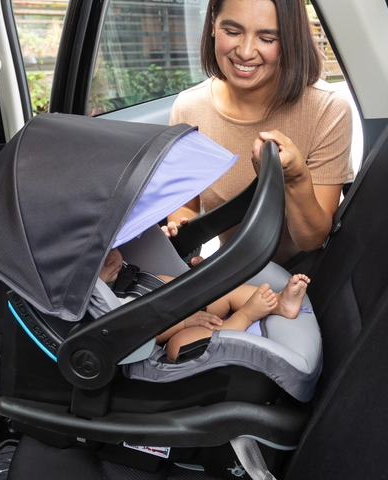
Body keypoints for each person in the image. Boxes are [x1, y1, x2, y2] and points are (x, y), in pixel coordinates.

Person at [165, 0, 354, 266]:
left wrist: (296, 178)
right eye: (231, 32)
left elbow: (312, 240)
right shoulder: (188, 109)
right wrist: (180, 229)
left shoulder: (328, 109)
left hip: (306, 278)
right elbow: (185, 207)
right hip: (231, 276)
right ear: (212, 24)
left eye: (266, 38)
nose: (245, 51)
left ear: (289, 38)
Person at [99, 248, 310, 362]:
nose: (111, 258)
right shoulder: (106, 300)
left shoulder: (119, 272)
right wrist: (185, 322)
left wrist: (197, 286)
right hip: (164, 336)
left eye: (110, 247)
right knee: (179, 346)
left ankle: (281, 303)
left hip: (184, 306)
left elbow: (160, 282)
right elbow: (141, 333)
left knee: (219, 293)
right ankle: (245, 316)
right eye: (99, 260)